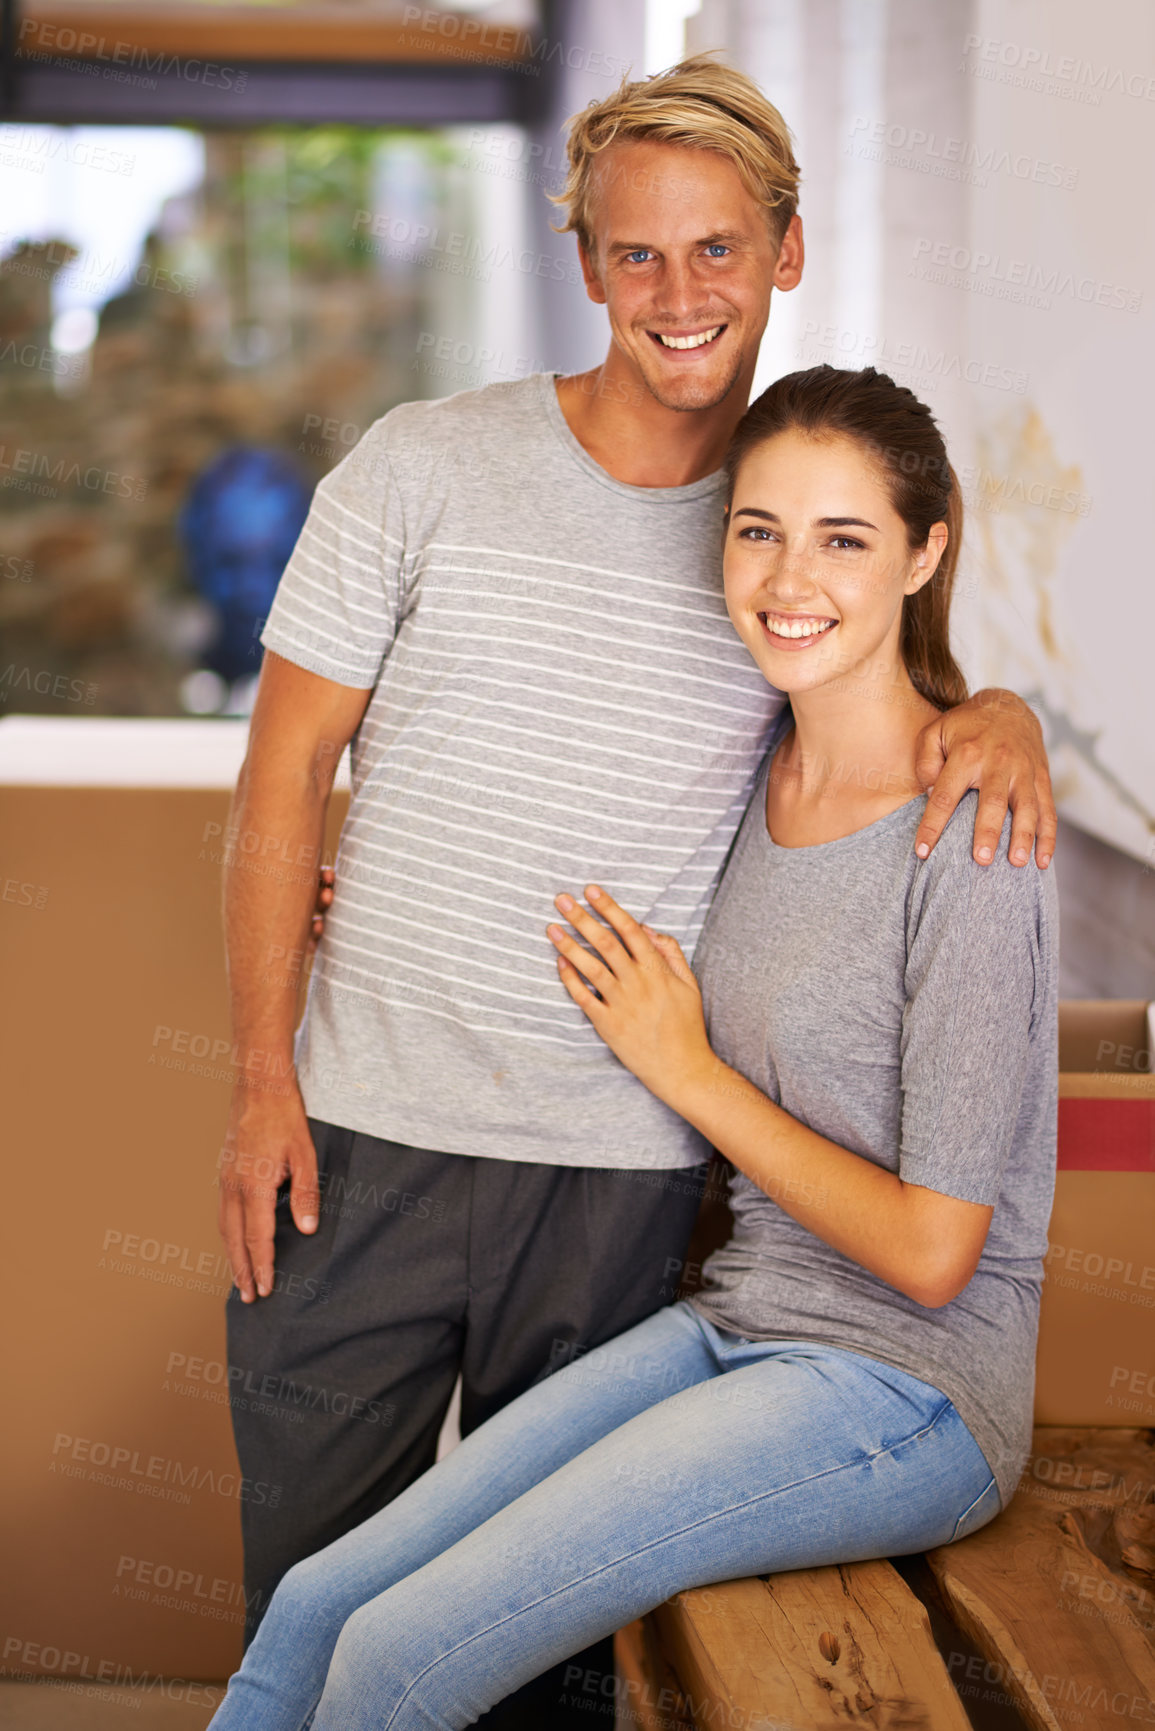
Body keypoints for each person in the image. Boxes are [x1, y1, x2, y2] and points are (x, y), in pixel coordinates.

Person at [217, 55, 1055, 1719]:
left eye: (720, 249)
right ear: (589, 263)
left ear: (786, 253)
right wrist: (259, 1074)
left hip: (622, 1182)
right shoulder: (432, 464)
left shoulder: (805, 546)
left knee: (520, 1667)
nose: (680, 294)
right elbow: (282, 776)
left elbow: (909, 687)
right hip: (373, 1130)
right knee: (317, 1592)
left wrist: (1010, 718)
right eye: (639, 253)